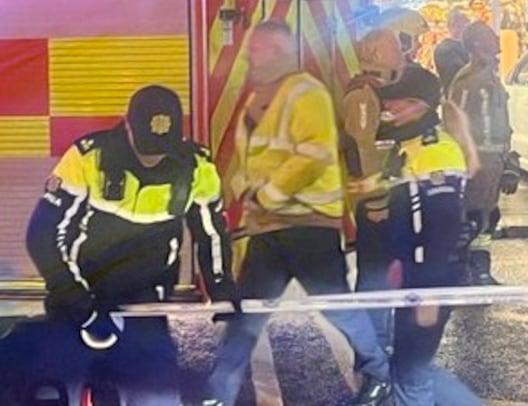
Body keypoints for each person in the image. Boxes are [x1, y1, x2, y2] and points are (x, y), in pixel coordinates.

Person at [5, 85, 237, 403]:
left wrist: (223, 290)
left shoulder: (196, 166)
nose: (152, 158)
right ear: (127, 124)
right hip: (81, 299)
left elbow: (211, 234)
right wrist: (78, 301)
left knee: (158, 400)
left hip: (145, 304)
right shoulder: (88, 157)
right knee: (56, 392)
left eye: (161, 149)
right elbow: (42, 234)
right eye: (145, 147)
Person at [204, 21, 392, 406]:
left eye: (257, 49)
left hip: (309, 226)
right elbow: (250, 159)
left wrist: (268, 194)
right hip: (268, 228)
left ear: (278, 51)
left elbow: (314, 153)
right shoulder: (257, 99)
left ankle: (379, 374)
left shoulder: (307, 93)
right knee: (248, 314)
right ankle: (218, 394)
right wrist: (229, 191)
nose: (250, 56)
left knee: (336, 307)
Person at [345, 26, 482, 405]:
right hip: (411, 278)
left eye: (396, 104)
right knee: (411, 370)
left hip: (426, 283)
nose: (387, 108)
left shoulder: (434, 155)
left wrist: (429, 298)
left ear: (421, 105)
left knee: (414, 374)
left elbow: (440, 231)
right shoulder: (407, 143)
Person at [448, 21, 522, 286]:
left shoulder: (490, 74)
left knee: (488, 216)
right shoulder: (468, 80)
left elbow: (501, 122)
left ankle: (479, 271)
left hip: (493, 160)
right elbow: (457, 120)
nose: (497, 39)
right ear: (478, 43)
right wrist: (469, 160)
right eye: (491, 36)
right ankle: (464, 273)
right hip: (479, 160)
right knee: (475, 216)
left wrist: (508, 161)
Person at [433, 9, 471, 95]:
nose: (462, 30)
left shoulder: (467, 46)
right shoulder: (445, 49)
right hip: (455, 96)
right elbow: (457, 74)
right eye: (458, 26)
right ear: (450, 27)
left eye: (465, 26)